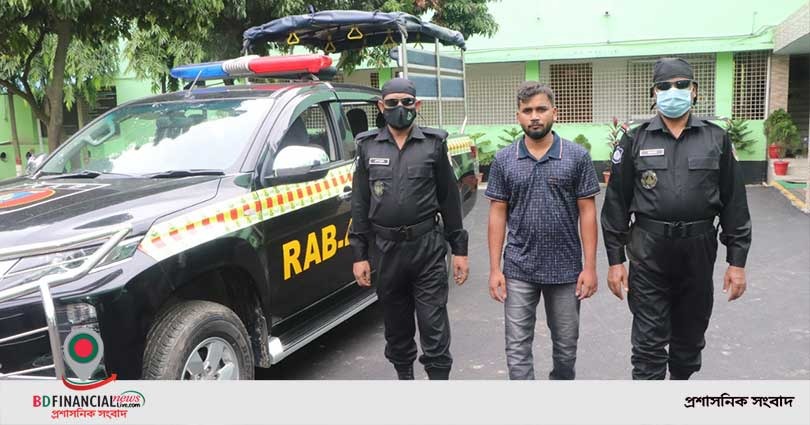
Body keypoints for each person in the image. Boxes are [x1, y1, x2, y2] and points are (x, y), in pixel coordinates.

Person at [601, 57, 752, 380]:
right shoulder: (634, 140)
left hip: (698, 253)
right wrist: (616, 261)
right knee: (648, 348)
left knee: (688, 344)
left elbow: (735, 204)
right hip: (648, 253)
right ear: (653, 94)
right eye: (665, 86)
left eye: (682, 84)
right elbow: (616, 204)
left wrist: (737, 262)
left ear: (695, 91)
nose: (674, 91)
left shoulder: (716, 139)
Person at [349, 78, 469, 380]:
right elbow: (360, 204)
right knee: (396, 325)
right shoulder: (367, 147)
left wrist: (460, 251)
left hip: (427, 248)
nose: (399, 108)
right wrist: (359, 254)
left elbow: (449, 201)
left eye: (406, 102)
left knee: (433, 324)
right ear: (381, 106)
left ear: (417, 105)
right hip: (386, 251)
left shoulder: (433, 144)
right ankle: (405, 379)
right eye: (392, 103)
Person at [486, 81, 600, 380]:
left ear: (554, 113)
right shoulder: (503, 160)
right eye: (527, 111)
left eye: (541, 109)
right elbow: (497, 215)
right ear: (518, 116)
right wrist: (495, 269)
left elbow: (588, 213)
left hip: (565, 270)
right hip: (518, 268)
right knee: (517, 347)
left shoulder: (577, 157)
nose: (534, 116)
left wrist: (590, 267)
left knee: (565, 348)